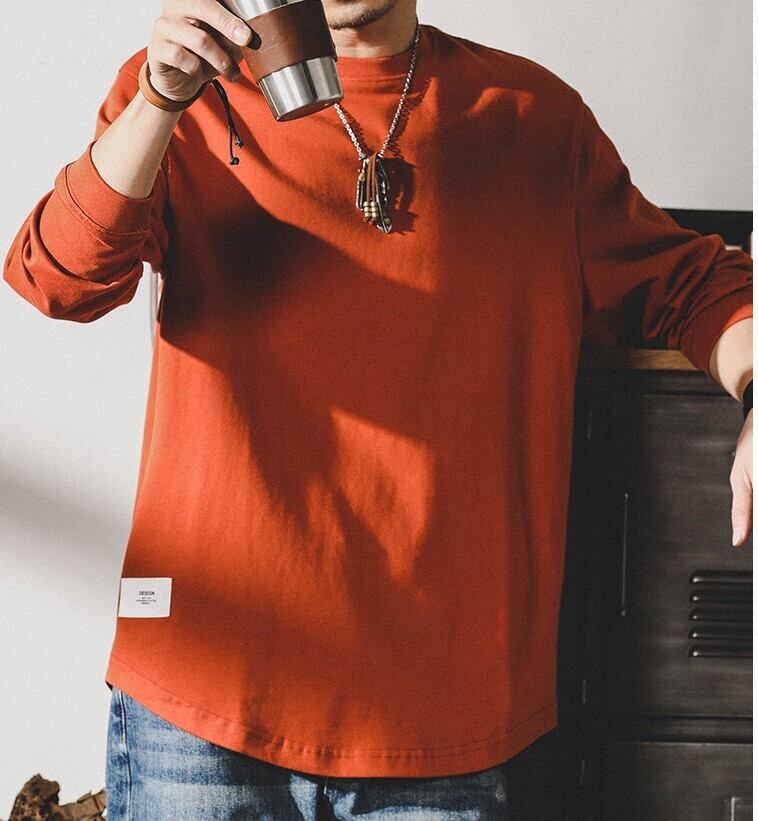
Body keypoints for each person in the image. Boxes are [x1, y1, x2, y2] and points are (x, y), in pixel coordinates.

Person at [3, 0, 753, 817]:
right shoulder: (188, 94)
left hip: (445, 724)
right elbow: (58, 279)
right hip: (203, 703)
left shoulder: (534, 119)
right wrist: (157, 98)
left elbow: (696, 285)